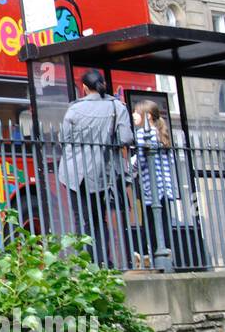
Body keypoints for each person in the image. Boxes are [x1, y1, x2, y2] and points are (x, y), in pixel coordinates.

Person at [57, 69, 135, 268]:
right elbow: (126, 138)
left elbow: (63, 139)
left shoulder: (74, 109)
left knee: (81, 218)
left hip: (74, 173)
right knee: (100, 218)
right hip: (103, 172)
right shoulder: (117, 107)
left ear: (83, 88)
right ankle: (101, 261)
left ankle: (85, 263)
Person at [133, 100, 177, 268]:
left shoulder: (143, 133)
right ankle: (165, 254)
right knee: (163, 222)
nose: (133, 115)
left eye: (137, 112)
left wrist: (131, 166)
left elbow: (142, 160)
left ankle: (144, 256)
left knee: (148, 223)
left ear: (148, 115)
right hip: (165, 187)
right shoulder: (161, 133)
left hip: (151, 186)